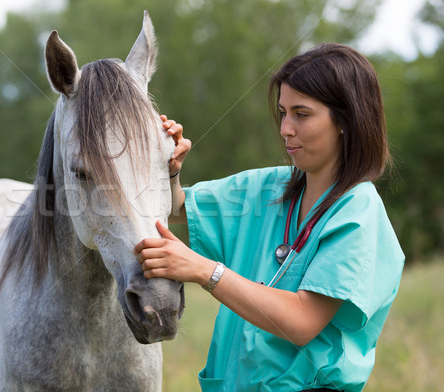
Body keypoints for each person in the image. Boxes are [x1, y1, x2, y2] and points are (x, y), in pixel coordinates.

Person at [135, 43, 404, 392]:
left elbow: (302, 320)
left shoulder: (358, 210)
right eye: (282, 113)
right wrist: (168, 167)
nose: (285, 129)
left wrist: (204, 270)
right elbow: (178, 208)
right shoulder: (266, 187)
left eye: (302, 114)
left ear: (346, 120)